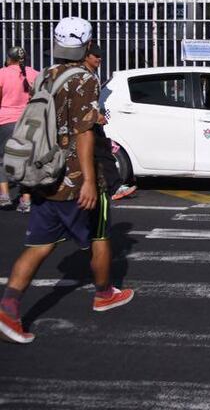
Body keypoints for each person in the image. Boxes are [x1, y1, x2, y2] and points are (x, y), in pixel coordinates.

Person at [0, 17, 134, 345]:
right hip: (73, 179)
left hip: (43, 173)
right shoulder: (84, 79)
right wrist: (88, 180)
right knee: (100, 233)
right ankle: (104, 293)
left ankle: (8, 309)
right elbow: (83, 132)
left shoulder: (44, 76)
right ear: (86, 45)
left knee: (38, 246)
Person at [83, 44, 137, 201]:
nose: (99, 58)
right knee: (101, 153)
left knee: (103, 153)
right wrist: (96, 115)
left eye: (100, 56)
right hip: (86, 123)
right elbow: (83, 102)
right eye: (96, 56)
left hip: (93, 122)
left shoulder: (93, 74)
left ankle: (113, 186)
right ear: (86, 57)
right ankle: (113, 187)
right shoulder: (83, 75)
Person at [0, 46, 39, 212]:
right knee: (26, 161)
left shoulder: (2, 73)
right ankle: (26, 200)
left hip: (5, 121)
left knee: (2, 158)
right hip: (28, 122)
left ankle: (4, 196)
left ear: (9, 59)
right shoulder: (34, 74)